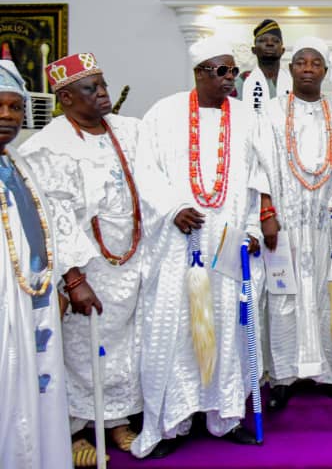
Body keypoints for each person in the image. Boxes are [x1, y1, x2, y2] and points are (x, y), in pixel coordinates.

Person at [132, 36, 268, 457]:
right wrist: (172, 207)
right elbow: (145, 170)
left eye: (233, 71)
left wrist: (253, 229)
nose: (231, 79)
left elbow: (261, 179)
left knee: (229, 326)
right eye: (221, 71)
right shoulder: (164, 113)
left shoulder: (247, 118)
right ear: (199, 73)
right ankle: (169, 423)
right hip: (178, 244)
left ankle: (224, 417)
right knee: (174, 329)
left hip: (226, 241)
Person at [20, 53, 147, 461]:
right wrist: (73, 278)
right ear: (66, 98)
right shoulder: (46, 145)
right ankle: (75, 429)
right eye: (91, 88)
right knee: (79, 349)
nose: (104, 93)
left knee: (125, 347)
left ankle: (117, 421)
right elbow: (52, 219)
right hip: (84, 267)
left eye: (104, 84)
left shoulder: (129, 131)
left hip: (132, 260)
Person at [254, 37, 332, 410]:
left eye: (315, 63)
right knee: (283, 299)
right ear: (290, 68)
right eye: (300, 62)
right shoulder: (271, 115)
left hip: (325, 224)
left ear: (326, 71)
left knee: (328, 297)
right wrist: (266, 212)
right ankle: (282, 377)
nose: (308, 68)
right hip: (285, 223)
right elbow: (259, 166)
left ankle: (331, 372)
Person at [0, 60, 74, 469]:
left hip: (30, 300)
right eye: (0, 106)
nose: (8, 116)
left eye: (15, 107)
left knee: (31, 396)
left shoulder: (20, 165)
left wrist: (52, 285)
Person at [235, 19, 291, 112]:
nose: (269, 43)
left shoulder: (293, 80)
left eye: (276, 41)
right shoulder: (243, 81)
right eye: (263, 40)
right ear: (254, 50)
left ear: (283, 50)